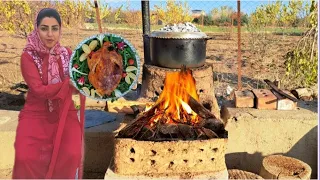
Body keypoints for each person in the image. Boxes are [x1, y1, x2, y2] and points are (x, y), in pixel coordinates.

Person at [12, 8, 86, 179]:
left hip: (65, 112)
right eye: (44, 28)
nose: (50, 34)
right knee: (25, 157)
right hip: (36, 114)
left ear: (60, 29)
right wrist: (67, 84)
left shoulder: (67, 54)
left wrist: (88, 82)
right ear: (36, 29)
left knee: (71, 154)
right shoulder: (28, 57)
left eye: (55, 28)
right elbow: (39, 90)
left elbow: (77, 84)